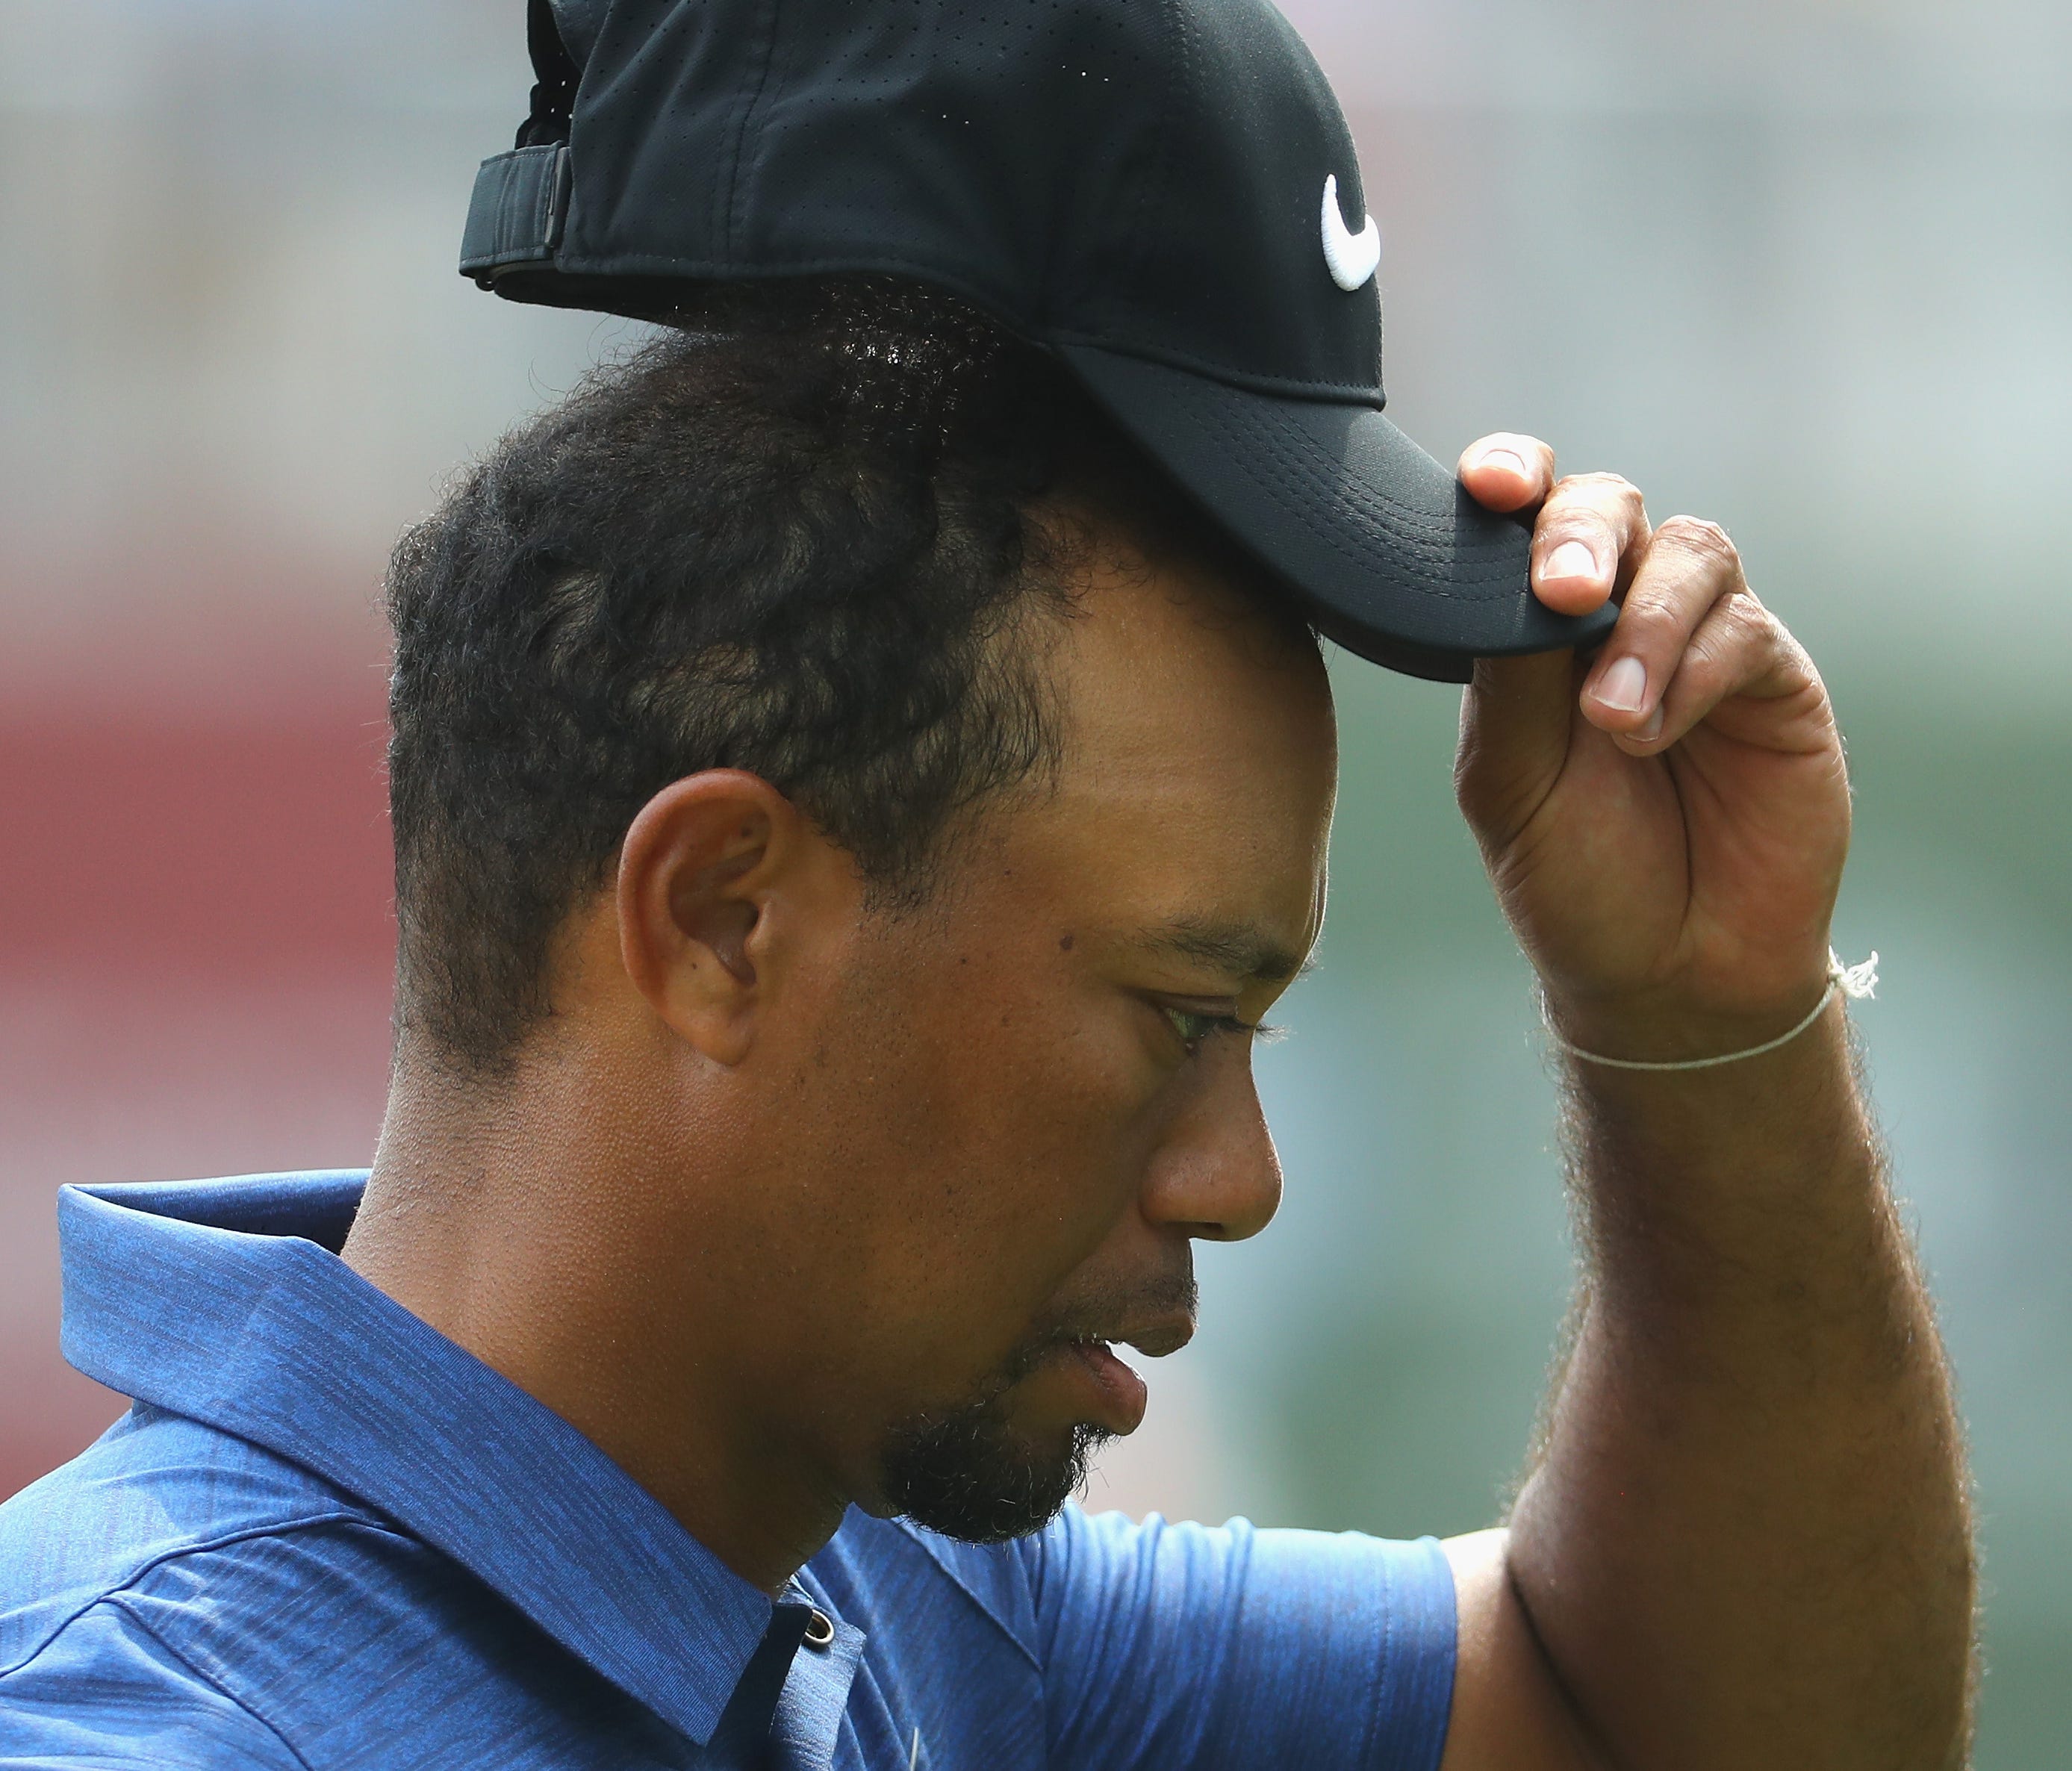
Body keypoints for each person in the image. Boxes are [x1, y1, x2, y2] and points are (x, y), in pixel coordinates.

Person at [0, 4, 1972, 1770]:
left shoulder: (883, 1587)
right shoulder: (142, 1723)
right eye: (1178, 1016)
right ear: (719, 920)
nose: (1240, 1179)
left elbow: (1691, 1724)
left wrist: (1705, 1015)